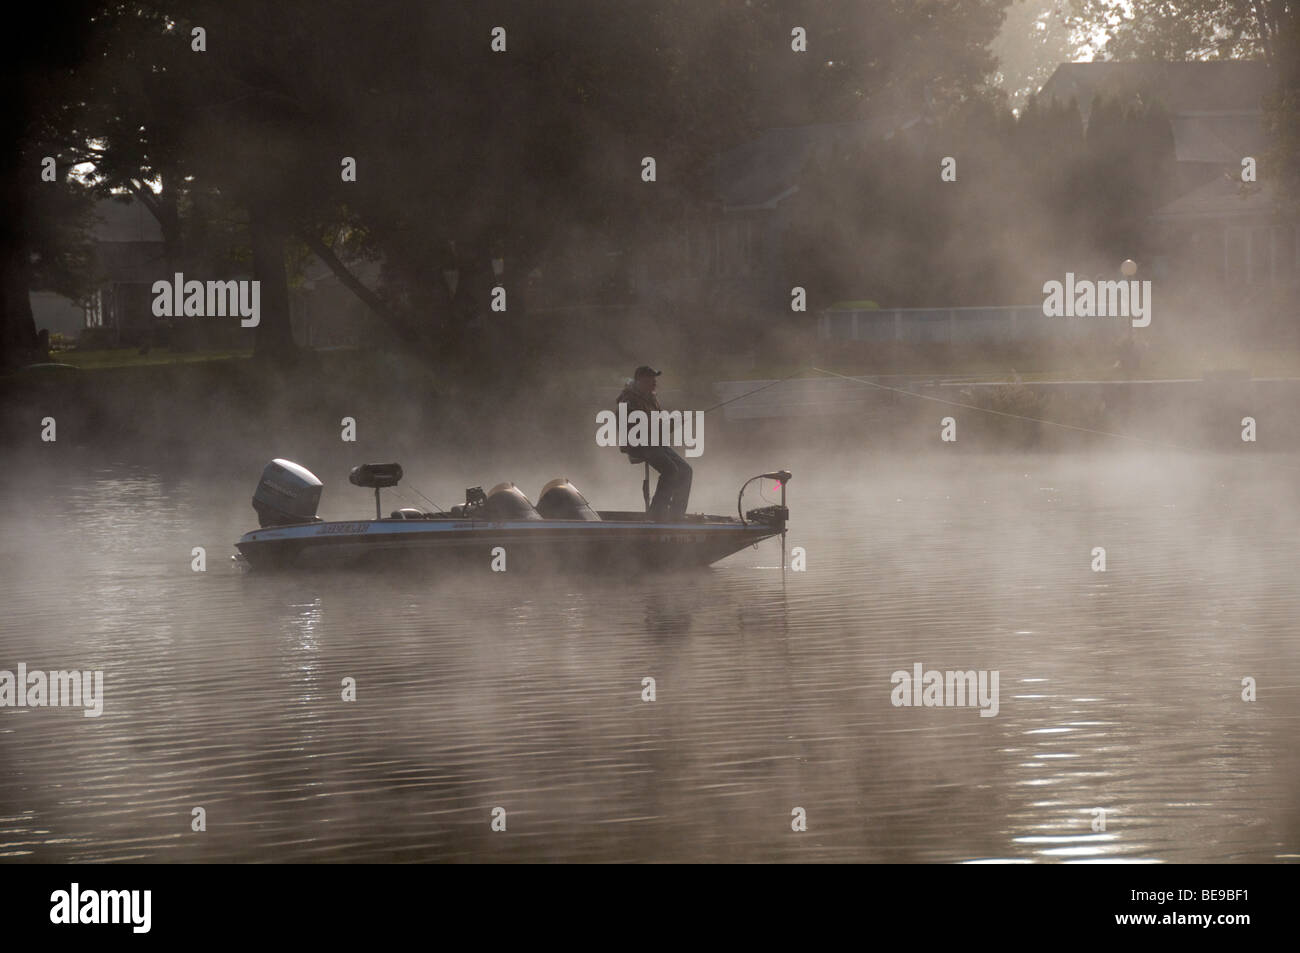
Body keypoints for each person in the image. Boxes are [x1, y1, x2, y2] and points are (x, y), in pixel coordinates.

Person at [615, 365, 692, 521]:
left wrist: (672, 424)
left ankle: (676, 515)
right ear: (640, 381)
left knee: (686, 470)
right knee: (671, 470)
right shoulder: (628, 400)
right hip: (638, 444)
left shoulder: (651, 398)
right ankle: (657, 514)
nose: (654, 383)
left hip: (654, 442)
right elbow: (633, 427)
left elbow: (658, 426)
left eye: (654, 379)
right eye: (651, 379)